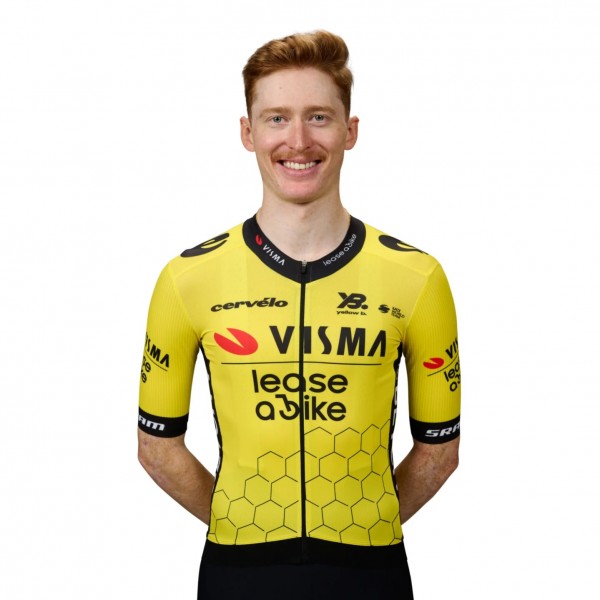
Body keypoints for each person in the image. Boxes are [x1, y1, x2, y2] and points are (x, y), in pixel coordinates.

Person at [138, 30, 461, 599]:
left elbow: (440, 451)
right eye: (277, 119)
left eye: (318, 117)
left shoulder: (418, 277)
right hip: (238, 574)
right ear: (248, 132)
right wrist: (243, 522)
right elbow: (156, 446)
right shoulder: (186, 279)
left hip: (371, 576)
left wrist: (364, 524)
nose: (298, 140)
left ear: (349, 131)